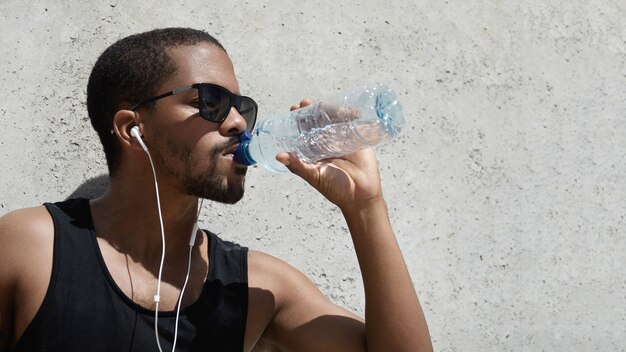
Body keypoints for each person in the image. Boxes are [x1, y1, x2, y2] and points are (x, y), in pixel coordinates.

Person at [0, 28, 432, 351]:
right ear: (133, 130)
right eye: (210, 102)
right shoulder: (31, 248)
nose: (239, 123)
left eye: (241, 107)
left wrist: (365, 208)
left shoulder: (258, 288)